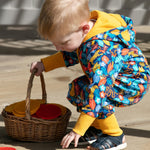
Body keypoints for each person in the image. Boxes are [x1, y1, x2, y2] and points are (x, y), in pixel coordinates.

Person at [30, 0, 150, 149]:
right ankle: (99, 129)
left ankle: (115, 135)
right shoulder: (84, 33)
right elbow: (70, 54)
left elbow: (99, 90)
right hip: (109, 79)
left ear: (85, 28)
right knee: (78, 88)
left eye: (63, 43)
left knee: (93, 94)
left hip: (131, 83)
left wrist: (77, 130)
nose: (58, 47)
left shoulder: (101, 51)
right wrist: (45, 64)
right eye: (54, 43)